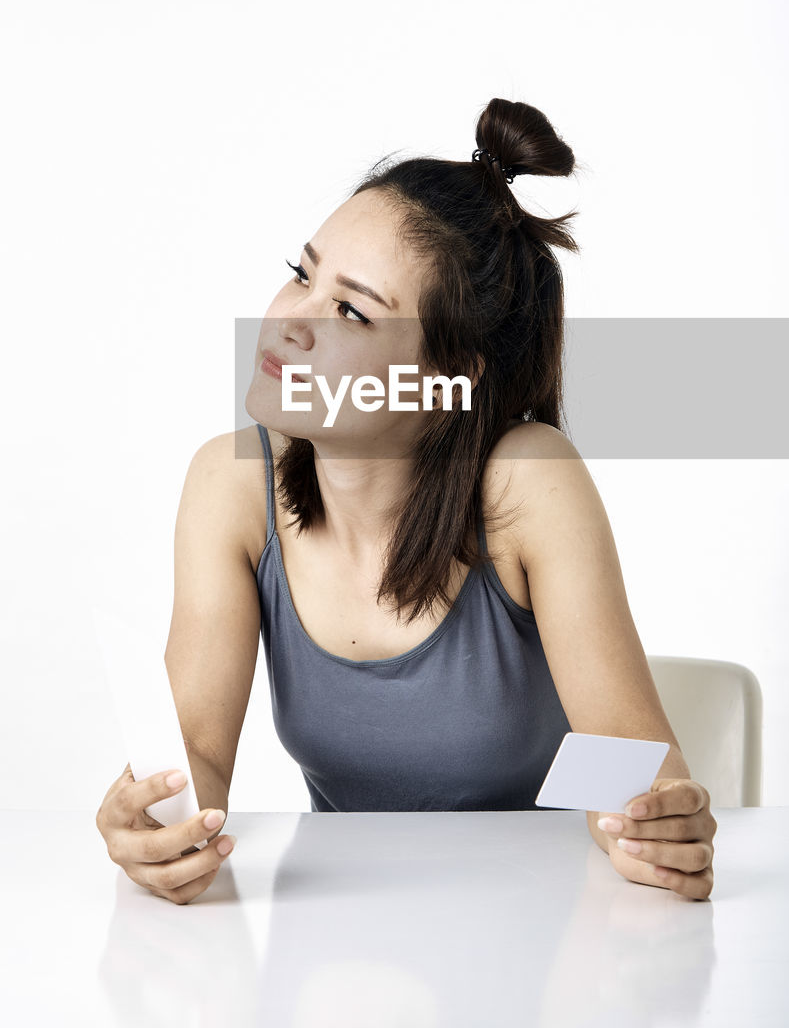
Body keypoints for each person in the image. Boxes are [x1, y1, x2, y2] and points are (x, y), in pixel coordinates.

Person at [95, 97, 717, 904]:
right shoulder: (230, 484)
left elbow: (628, 762)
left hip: (538, 928)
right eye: (300, 274)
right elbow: (198, 754)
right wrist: (156, 821)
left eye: (351, 310)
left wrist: (653, 828)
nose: (290, 321)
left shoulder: (527, 482)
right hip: (339, 935)